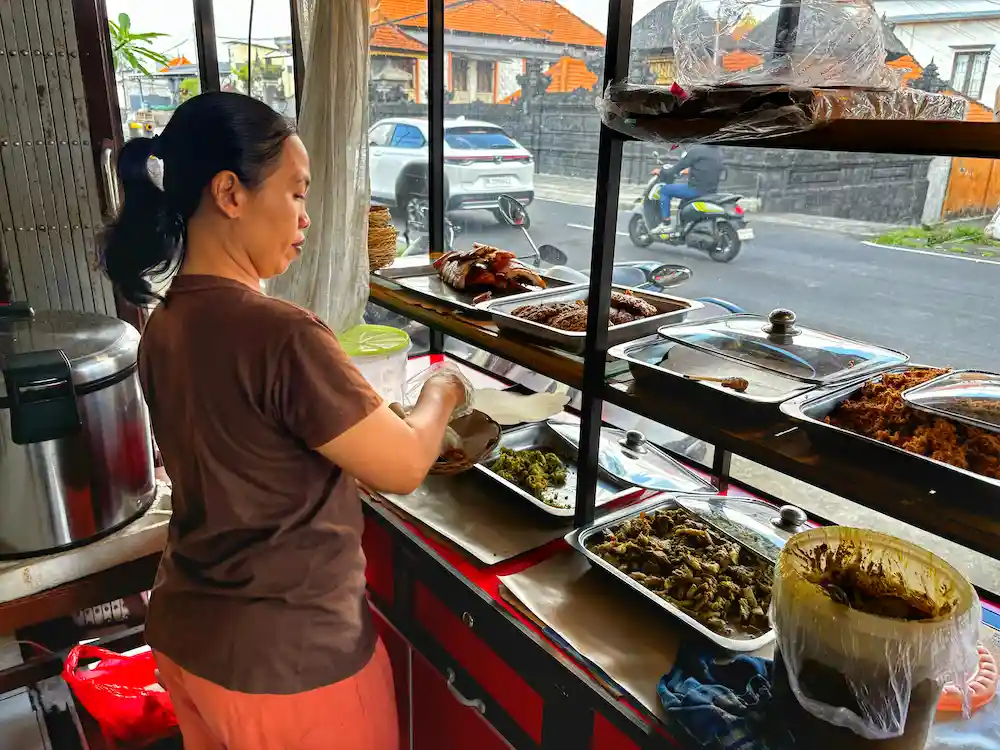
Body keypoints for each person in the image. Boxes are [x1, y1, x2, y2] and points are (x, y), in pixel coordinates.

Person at [101, 91, 467, 750]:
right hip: (290, 668)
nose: (305, 217)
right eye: (296, 194)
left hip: (188, 640)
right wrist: (444, 388)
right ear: (229, 193)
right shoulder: (281, 333)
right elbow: (407, 464)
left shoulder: (165, 321)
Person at [654, 144, 724, 234]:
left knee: (664, 190)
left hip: (696, 189)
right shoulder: (718, 153)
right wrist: (687, 171)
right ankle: (683, 226)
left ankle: (665, 224)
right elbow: (704, 168)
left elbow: (677, 168)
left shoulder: (696, 151)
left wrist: (662, 171)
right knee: (683, 199)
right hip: (711, 191)